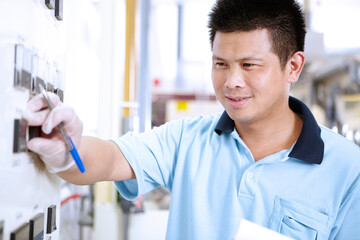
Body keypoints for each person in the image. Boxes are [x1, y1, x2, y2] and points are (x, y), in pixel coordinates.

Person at [23, 0, 360, 239]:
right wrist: (67, 150)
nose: (231, 82)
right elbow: (110, 159)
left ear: (294, 66)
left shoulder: (348, 170)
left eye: (249, 65)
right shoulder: (188, 139)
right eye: (221, 64)